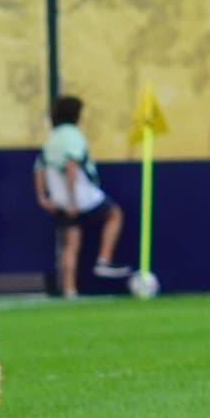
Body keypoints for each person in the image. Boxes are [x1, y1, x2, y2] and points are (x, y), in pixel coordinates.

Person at [34, 94, 131, 298]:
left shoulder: (51, 139)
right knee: (114, 214)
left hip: (58, 198)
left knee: (70, 243)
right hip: (80, 197)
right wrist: (71, 200)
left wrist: (43, 197)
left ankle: (69, 289)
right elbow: (71, 165)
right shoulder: (73, 136)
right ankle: (103, 260)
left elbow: (39, 169)